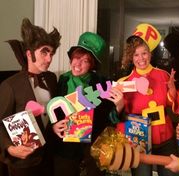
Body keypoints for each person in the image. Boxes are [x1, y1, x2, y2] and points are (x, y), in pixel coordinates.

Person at [52, 32, 122, 176]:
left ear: (92, 65)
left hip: (92, 148)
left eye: (85, 61)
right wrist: (55, 126)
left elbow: (111, 116)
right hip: (66, 149)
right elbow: (54, 111)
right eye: (77, 58)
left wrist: (119, 105)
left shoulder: (102, 83)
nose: (78, 64)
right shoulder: (62, 80)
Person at [0, 18, 61, 176]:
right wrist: (10, 148)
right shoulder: (10, 85)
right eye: (44, 52)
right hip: (23, 163)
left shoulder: (51, 79)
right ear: (29, 53)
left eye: (51, 53)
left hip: (49, 157)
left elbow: (52, 113)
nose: (49, 59)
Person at [116, 35, 178, 176]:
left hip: (165, 138)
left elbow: (171, 104)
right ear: (131, 58)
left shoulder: (163, 75)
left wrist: (173, 91)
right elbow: (120, 116)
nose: (141, 58)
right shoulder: (124, 82)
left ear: (150, 54)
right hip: (139, 141)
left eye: (144, 53)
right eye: (136, 55)